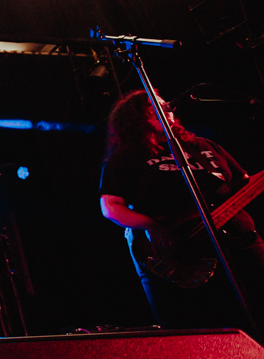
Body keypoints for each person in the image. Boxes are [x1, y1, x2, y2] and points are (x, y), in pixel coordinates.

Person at [99, 89, 264, 331]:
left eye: (165, 104)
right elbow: (110, 206)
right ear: (137, 118)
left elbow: (242, 185)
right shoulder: (128, 157)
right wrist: (152, 227)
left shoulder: (204, 146)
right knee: (202, 330)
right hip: (182, 252)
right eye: (155, 107)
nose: (167, 108)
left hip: (240, 242)